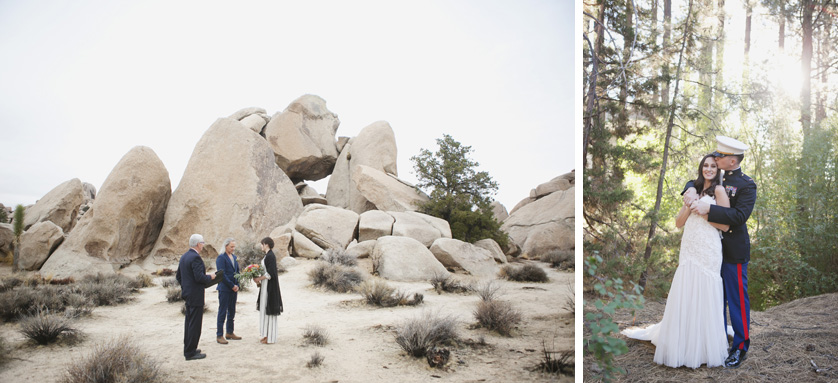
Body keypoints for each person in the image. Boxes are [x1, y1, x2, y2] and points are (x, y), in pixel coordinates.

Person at [622, 154, 731, 368]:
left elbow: (726, 226)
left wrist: (705, 212)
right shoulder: (692, 190)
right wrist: (689, 206)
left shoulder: (719, 191)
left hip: (708, 249)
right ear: (701, 168)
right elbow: (679, 223)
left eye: (712, 166)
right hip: (689, 248)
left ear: (717, 170)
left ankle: (702, 347)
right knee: (686, 289)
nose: (708, 169)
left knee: (705, 290)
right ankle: (682, 343)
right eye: (705, 165)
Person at [683, 136, 756, 368]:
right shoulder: (719, 173)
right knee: (715, 298)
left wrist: (709, 209)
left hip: (732, 250)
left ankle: (740, 347)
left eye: (720, 157)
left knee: (736, 300)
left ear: (732, 161)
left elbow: (739, 217)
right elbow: (697, 179)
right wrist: (688, 190)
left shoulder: (746, 184)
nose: (715, 159)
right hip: (710, 249)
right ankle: (717, 340)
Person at [176, 234, 215, 361]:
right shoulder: (196, 258)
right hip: (196, 295)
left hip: (188, 294)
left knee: (189, 322)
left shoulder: (184, 257)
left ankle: (189, 348)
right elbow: (200, 278)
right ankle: (190, 353)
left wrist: (186, 287)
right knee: (195, 324)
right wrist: (211, 277)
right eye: (202, 243)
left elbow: (178, 277)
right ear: (198, 244)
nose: (203, 245)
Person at [252, 237, 283, 344]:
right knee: (265, 309)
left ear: (266, 244)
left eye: (262, 244)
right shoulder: (267, 256)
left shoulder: (270, 256)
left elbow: (271, 273)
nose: (261, 246)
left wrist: (259, 278)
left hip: (269, 287)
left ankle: (270, 337)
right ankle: (266, 335)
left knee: (268, 310)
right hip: (265, 286)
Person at [215, 237, 241, 344]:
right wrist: (231, 285)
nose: (233, 248)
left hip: (233, 289)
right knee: (222, 311)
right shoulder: (221, 258)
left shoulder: (234, 257)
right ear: (226, 246)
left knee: (232, 310)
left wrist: (238, 284)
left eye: (234, 246)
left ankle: (230, 332)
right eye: (231, 246)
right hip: (225, 289)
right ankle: (219, 335)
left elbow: (237, 272)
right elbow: (222, 274)